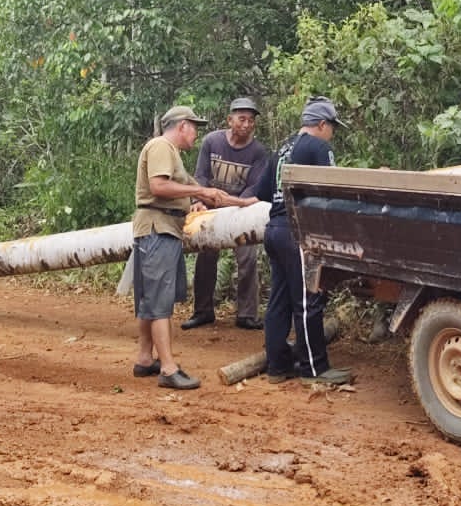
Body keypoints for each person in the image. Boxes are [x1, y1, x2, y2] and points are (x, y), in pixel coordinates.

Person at [255, 97, 355, 385]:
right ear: (322, 124)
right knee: (307, 298)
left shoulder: (281, 149)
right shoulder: (318, 146)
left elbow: (262, 191)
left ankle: (277, 366)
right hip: (298, 231)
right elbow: (331, 188)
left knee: (279, 300)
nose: (332, 133)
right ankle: (314, 368)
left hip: (274, 228)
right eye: (332, 127)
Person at [130, 105, 228, 390]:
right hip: (157, 229)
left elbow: (183, 189)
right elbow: (159, 187)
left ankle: (146, 358)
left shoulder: (172, 154)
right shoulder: (161, 145)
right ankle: (169, 368)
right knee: (159, 301)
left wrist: (194, 199)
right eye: (194, 127)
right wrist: (199, 192)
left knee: (151, 298)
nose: (196, 134)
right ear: (182, 125)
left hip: (161, 228)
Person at [184, 96, 270, 330]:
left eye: (251, 120)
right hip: (210, 210)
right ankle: (202, 311)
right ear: (229, 120)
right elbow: (200, 175)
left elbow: (254, 189)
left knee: (247, 258)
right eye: (242, 119)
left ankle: (247, 314)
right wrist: (198, 201)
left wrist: (231, 204)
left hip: (241, 211)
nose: (247, 125)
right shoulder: (212, 142)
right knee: (206, 257)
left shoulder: (258, 151)